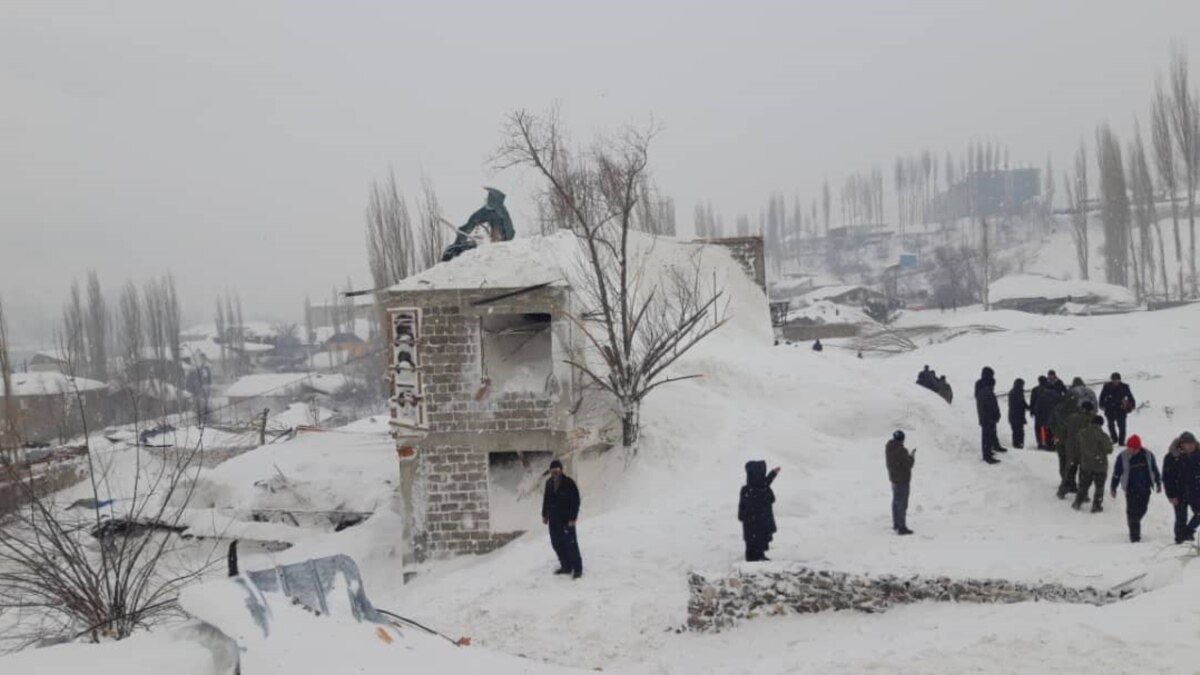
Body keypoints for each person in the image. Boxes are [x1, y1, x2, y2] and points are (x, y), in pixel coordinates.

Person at [1110, 435, 1161, 542]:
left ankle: (1133, 522)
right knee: (1132, 512)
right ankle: (1135, 537)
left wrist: (1158, 482)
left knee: (1143, 509)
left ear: (1138, 447)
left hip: (1145, 488)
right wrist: (1113, 487)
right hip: (1131, 489)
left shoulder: (1148, 455)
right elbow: (1117, 473)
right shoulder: (1123, 456)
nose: (1130, 450)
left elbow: (1154, 469)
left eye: (1133, 449)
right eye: (1129, 448)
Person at [542, 459, 583, 578]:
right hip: (554, 521)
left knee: (570, 545)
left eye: (557, 469)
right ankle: (566, 566)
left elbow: (576, 501)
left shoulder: (569, 483)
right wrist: (544, 515)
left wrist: (573, 518)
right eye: (552, 469)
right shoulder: (549, 483)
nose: (554, 471)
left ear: (561, 470)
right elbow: (546, 500)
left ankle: (577, 569)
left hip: (566, 521)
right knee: (557, 544)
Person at [738, 461, 781, 561]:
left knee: (759, 539)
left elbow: (766, 481)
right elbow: (743, 505)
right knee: (755, 540)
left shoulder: (753, 488)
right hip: (755, 521)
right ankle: (753, 557)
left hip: (757, 521)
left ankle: (759, 554)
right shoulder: (756, 488)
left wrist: (773, 473)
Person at [1163, 432, 1199, 544]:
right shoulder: (1171, 457)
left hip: (1196, 490)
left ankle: (1188, 531)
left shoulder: (1198, 455)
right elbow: (1167, 477)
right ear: (1182, 444)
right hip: (1179, 492)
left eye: (1193, 443)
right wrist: (1171, 495)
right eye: (1188, 444)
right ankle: (1179, 539)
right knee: (1180, 517)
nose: (1191, 446)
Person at [1073, 415, 1114, 513]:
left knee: (1083, 485)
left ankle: (1078, 502)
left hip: (1086, 464)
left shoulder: (1082, 433)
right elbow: (1109, 450)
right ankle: (1096, 505)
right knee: (1099, 487)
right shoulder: (1103, 435)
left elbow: (1077, 446)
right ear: (1101, 424)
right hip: (1100, 465)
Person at [885, 430, 916, 535]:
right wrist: (911, 457)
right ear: (902, 439)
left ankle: (896, 524)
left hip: (894, 479)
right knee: (902, 503)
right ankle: (901, 527)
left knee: (896, 502)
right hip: (902, 480)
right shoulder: (901, 451)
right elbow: (908, 465)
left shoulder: (889, 448)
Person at [1054, 398, 1086, 499]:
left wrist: (1061, 445)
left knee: (1069, 469)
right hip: (1082, 448)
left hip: (1070, 447)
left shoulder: (1070, 418)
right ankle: (1083, 494)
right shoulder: (1089, 419)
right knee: (1084, 472)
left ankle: (1062, 490)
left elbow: (1062, 432)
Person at [1099, 372, 1136, 446]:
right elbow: (1102, 396)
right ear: (1111, 380)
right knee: (1111, 425)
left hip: (1121, 409)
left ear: (1119, 380)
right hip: (1110, 408)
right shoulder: (1107, 386)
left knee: (1122, 426)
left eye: (1117, 380)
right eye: (1114, 380)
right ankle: (1114, 439)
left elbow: (1130, 396)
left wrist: (1132, 405)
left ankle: (1121, 441)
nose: (1115, 381)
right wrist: (1102, 405)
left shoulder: (1125, 386)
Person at [974, 367, 1003, 464]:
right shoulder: (982, 385)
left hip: (987, 414)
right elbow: (984, 400)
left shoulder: (983, 384)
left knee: (991, 432)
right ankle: (987, 455)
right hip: (986, 414)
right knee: (986, 434)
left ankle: (990, 450)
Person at [1034, 376, 1063, 451]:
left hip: (1044, 418)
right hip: (1054, 418)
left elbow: (1037, 408)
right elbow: (1061, 407)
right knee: (1053, 431)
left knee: (1046, 432)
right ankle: (1053, 444)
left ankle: (1047, 444)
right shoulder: (1057, 396)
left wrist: (1038, 417)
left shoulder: (1041, 397)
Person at [1008, 378, 1028, 449]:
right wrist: (1027, 407)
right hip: (1016, 415)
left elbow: (1022, 402)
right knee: (1018, 431)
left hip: (1015, 415)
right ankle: (1018, 444)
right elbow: (1020, 403)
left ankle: (1018, 444)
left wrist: (1026, 407)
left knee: (1017, 431)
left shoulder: (1015, 391)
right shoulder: (1016, 392)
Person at [1030, 376, 1047, 449]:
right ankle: (1048, 442)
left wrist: (1032, 411)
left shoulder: (1035, 389)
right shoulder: (1049, 388)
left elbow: (1032, 401)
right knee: (1047, 427)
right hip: (1047, 411)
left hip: (1038, 412)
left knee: (1038, 428)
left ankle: (1040, 442)